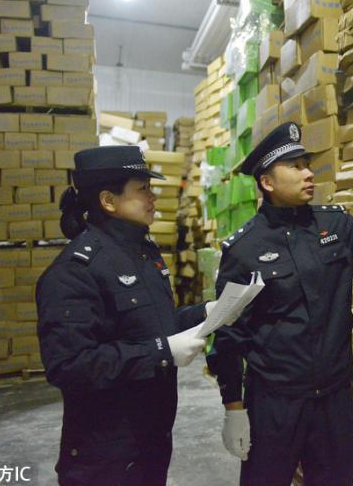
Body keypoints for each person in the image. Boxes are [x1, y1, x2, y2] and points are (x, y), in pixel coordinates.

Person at [209, 122, 353, 486]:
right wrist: (233, 407)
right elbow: (228, 334)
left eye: (307, 164)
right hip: (275, 403)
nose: (308, 173)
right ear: (267, 182)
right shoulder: (244, 249)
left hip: (332, 399)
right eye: (295, 167)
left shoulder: (333, 225)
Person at [36, 145, 213, 486]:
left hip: (150, 442)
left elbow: (149, 326)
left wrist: (203, 313)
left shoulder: (143, 254)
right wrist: (162, 353)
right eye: (143, 189)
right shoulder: (74, 272)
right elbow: (70, 365)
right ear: (108, 200)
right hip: (105, 456)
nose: (153, 197)